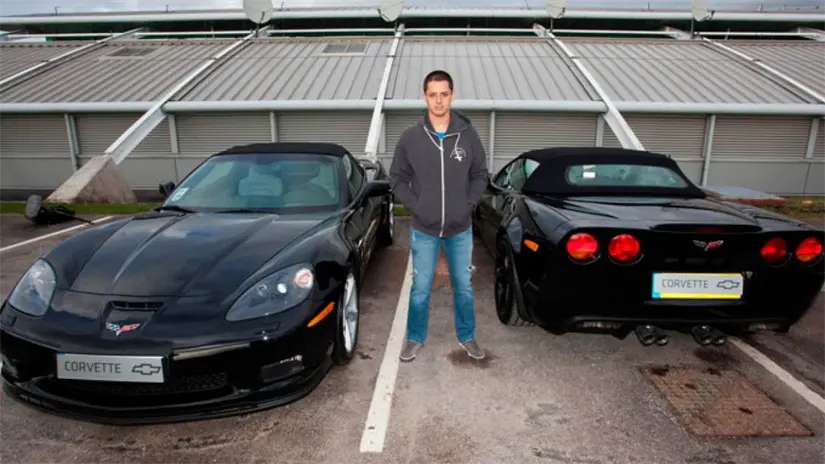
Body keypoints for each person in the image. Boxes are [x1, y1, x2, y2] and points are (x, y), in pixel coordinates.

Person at [389, 69, 490, 362]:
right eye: (432, 95)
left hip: (460, 228)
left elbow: (480, 174)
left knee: (464, 286)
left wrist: (467, 203)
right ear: (425, 97)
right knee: (420, 288)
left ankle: (467, 336)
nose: (438, 101)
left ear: (452, 95)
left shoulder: (467, 135)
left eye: (443, 94)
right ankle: (414, 338)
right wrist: (416, 206)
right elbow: (397, 178)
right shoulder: (411, 138)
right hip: (425, 228)